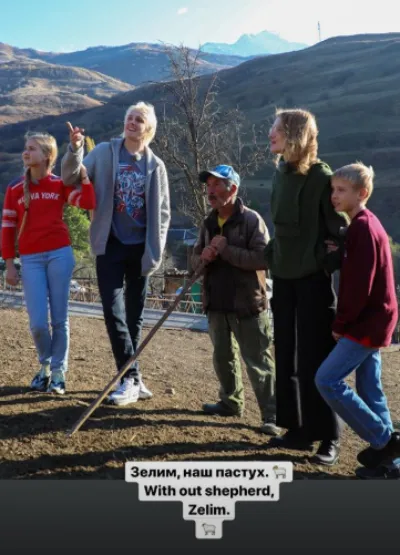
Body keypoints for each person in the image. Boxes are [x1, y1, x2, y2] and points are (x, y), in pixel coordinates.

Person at [61, 102, 171, 406]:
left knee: (135, 317)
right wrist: (76, 148)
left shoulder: (155, 166)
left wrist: (156, 252)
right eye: (129, 118)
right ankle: (130, 378)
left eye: (139, 120)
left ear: (147, 129)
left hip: (141, 249)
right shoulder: (106, 153)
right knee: (113, 312)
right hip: (109, 244)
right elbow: (71, 177)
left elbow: (163, 213)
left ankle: (132, 376)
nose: (132, 123)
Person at [265, 108, 348, 465]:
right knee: (285, 354)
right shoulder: (280, 173)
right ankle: (296, 430)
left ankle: (328, 436)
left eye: (276, 129)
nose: (270, 133)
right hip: (282, 278)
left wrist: (322, 262)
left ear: (294, 135)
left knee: (315, 356)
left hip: (313, 282)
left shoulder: (321, 177)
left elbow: (339, 231)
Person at [315, 162, 400, 469]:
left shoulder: (362, 227)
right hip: (378, 317)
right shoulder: (366, 223)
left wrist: (342, 322)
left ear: (361, 193)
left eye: (341, 190)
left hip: (366, 322)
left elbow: (358, 285)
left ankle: (385, 441)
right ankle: (392, 465)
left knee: (327, 380)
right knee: (369, 388)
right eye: (333, 189)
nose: (334, 196)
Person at [1, 131, 96, 394]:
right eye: (25, 147)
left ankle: (57, 373)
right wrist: (10, 263)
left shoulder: (59, 184)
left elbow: (88, 202)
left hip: (59, 254)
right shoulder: (14, 188)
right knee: (38, 323)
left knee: (60, 319)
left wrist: (84, 175)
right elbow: (8, 227)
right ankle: (43, 365)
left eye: (32, 148)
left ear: (47, 156)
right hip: (29, 259)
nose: (26, 152)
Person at [192, 164, 279, 436]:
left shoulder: (252, 221)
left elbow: (264, 259)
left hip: (247, 305)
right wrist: (202, 258)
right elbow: (193, 263)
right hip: (217, 303)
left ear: (234, 189)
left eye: (218, 185)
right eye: (209, 185)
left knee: (259, 362)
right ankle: (230, 402)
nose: (211, 190)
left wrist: (226, 250)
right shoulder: (208, 223)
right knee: (223, 358)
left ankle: (273, 416)